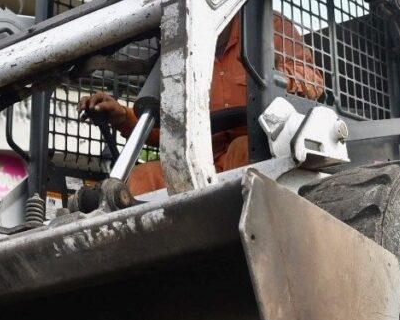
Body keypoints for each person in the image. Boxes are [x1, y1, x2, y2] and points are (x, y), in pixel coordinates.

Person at [78, 14, 324, 196]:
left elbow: (313, 82)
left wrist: (277, 79)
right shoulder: (182, 53)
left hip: (265, 145)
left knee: (243, 148)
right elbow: (169, 132)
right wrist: (121, 116)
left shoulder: (268, 26)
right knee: (142, 179)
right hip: (200, 160)